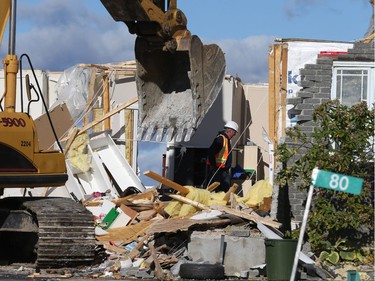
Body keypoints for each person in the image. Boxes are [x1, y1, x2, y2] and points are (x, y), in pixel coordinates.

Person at [204, 121, 239, 192]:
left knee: (224, 190)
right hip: (217, 170)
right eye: (234, 132)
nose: (234, 134)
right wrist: (213, 166)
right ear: (230, 131)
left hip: (223, 170)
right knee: (215, 189)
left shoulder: (226, 140)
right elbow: (211, 152)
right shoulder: (220, 139)